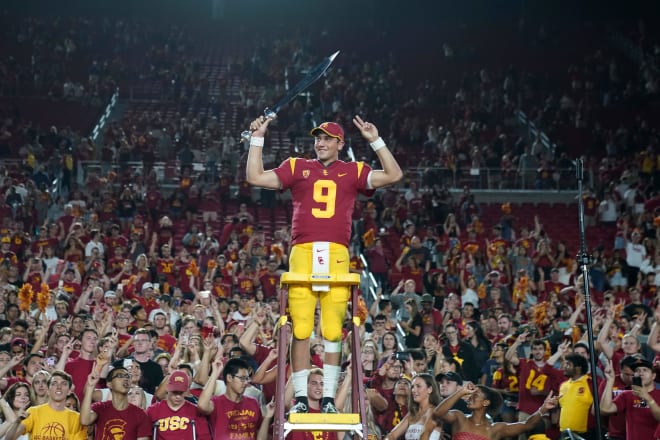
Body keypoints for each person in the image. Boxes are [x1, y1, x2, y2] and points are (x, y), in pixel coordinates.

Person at [246, 115, 403, 413]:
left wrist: (375, 141)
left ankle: (329, 397)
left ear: (340, 144)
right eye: (318, 138)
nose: (320, 142)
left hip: (337, 254)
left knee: (332, 329)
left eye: (327, 138)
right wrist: (257, 138)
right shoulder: (298, 166)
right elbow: (255, 177)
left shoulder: (353, 170)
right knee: (302, 328)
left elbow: (394, 175)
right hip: (303, 252)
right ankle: (302, 396)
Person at [429, 383, 559, 440]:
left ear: (485, 403)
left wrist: (543, 408)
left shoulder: (495, 429)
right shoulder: (459, 417)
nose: (470, 397)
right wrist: (461, 392)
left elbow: (527, 425)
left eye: (475, 395)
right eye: (470, 394)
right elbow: (438, 413)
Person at [198, 355, 271, 440]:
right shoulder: (217, 403)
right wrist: (215, 374)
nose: (245, 383)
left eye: (247, 378)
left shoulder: (253, 403)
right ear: (229, 378)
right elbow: (202, 406)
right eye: (242, 378)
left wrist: (268, 416)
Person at [4, 370, 87, 440]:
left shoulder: (77, 418)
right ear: (47, 390)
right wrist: (17, 422)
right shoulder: (33, 412)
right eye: (54, 383)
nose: (59, 386)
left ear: (69, 391)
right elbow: (9, 439)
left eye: (64, 384)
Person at [80, 365, 151, 440]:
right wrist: (90, 386)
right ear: (109, 384)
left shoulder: (141, 415)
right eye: (120, 376)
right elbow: (84, 421)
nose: (125, 379)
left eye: (128, 376)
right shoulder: (100, 407)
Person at [599, 357, 660, 440]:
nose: (640, 373)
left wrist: (648, 398)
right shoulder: (627, 395)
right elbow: (605, 409)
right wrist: (610, 381)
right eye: (637, 371)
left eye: (645, 370)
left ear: (653, 376)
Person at [146, 370, 212, 440]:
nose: (178, 396)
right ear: (168, 388)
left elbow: (204, 437)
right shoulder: (153, 411)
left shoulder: (195, 411)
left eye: (181, 393)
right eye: (175, 392)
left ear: (186, 390)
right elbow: (145, 435)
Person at [383, 373, 441, 440]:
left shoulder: (434, 412)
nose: (414, 390)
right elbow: (392, 435)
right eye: (412, 387)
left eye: (418, 386)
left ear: (429, 389)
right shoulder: (412, 414)